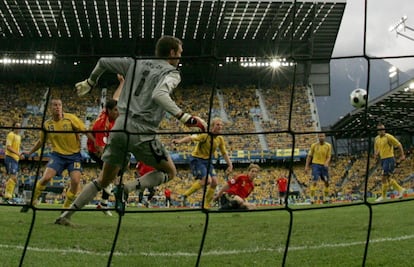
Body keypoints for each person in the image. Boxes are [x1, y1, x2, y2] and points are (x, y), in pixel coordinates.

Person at [55, 35, 207, 225]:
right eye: (180, 53)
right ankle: (126, 189)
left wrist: (90, 82)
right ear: (172, 53)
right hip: (142, 130)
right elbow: (159, 94)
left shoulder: (136, 63)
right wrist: (186, 118)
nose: (181, 57)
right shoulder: (172, 73)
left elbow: (102, 62)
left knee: (103, 180)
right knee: (170, 172)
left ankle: (65, 216)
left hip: (119, 127)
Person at [21, 98, 95, 212]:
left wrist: (96, 144)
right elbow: (41, 141)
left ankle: (65, 207)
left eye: (59, 105)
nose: (57, 107)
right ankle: (32, 201)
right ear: (51, 108)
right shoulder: (47, 124)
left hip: (74, 155)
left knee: (75, 181)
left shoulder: (71, 118)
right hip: (57, 155)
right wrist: (30, 152)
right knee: (46, 178)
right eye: (55, 105)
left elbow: (85, 130)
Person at [172, 117, 233, 208]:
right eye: (217, 124)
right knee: (207, 180)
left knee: (215, 182)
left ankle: (206, 205)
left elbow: (224, 152)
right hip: (197, 159)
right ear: (212, 126)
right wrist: (179, 141)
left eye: (221, 125)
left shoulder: (220, 139)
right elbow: (191, 138)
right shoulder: (205, 135)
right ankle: (185, 195)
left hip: (207, 161)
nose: (220, 126)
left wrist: (230, 164)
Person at [87, 98, 120, 216]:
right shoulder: (102, 124)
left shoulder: (106, 113)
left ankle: (103, 203)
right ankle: (100, 201)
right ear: (109, 111)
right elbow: (99, 148)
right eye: (116, 110)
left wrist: (121, 84)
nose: (118, 112)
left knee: (112, 175)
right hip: (96, 151)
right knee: (108, 177)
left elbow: (115, 98)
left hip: (103, 148)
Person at [374, 123, 406, 202]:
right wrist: (376, 154)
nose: (382, 131)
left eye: (383, 129)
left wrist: (402, 155)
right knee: (387, 179)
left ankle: (383, 196)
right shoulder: (376, 139)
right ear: (377, 131)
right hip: (383, 160)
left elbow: (399, 144)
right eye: (380, 130)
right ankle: (401, 190)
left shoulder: (388, 137)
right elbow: (377, 148)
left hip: (389, 159)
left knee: (383, 178)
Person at [305, 133, 331, 204]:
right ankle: (312, 199)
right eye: (319, 136)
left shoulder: (328, 146)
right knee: (314, 181)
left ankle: (325, 198)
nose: (321, 137)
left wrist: (326, 162)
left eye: (322, 136)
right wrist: (306, 166)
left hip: (324, 166)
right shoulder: (314, 145)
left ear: (325, 137)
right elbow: (309, 156)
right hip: (315, 165)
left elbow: (329, 156)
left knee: (326, 182)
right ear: (318, 137)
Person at [3, 122, 25, 203]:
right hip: (10, 158)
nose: (18, 128)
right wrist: (18, 154)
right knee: (13, 177)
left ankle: (8, 196)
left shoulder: (19, 136)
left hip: (16, 159)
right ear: (13, 127)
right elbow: (8, 147)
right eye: (16, 126)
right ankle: (8, 197)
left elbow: (17, 147)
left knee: (14, 179)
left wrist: (21, 153)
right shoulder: (11, 134)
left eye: (19, 126)